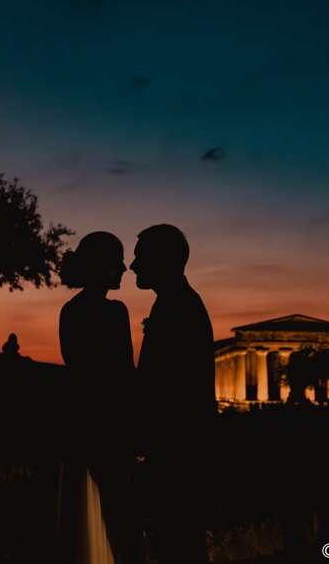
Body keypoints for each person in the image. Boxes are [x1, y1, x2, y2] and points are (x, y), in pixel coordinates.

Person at [131, 224, 215, 564]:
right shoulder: (176, 302)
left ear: (161, 259)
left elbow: (169, 386)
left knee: (178, 538)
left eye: (140, 258)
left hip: (177, 448)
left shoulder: (178, 306)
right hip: (179, 447)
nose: (134, 266)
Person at [55, 231, 139, 564]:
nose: (124, 269)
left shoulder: (70, 310)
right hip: (110, 429)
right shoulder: (115, 312)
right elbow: (123, 377)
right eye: (118, 262)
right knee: (121, 522)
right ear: (104, 266)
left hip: (79, 426)